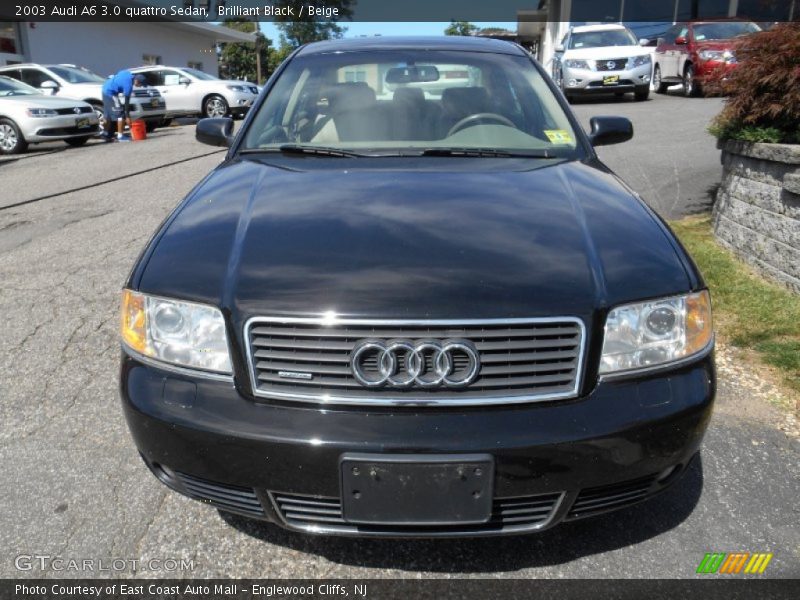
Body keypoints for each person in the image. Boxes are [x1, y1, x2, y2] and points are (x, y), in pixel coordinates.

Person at [101, 70, 146, 142]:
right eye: (141, 85)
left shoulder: (127, 73)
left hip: (105, 88)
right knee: (120, 114)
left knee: (108, 115)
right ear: (137, 81)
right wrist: (127, 117)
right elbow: (126, 102)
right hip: (110, 93)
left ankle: (105, 134)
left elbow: (117, 74)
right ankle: (120, 136)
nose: (140, 86)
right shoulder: (128, 86)